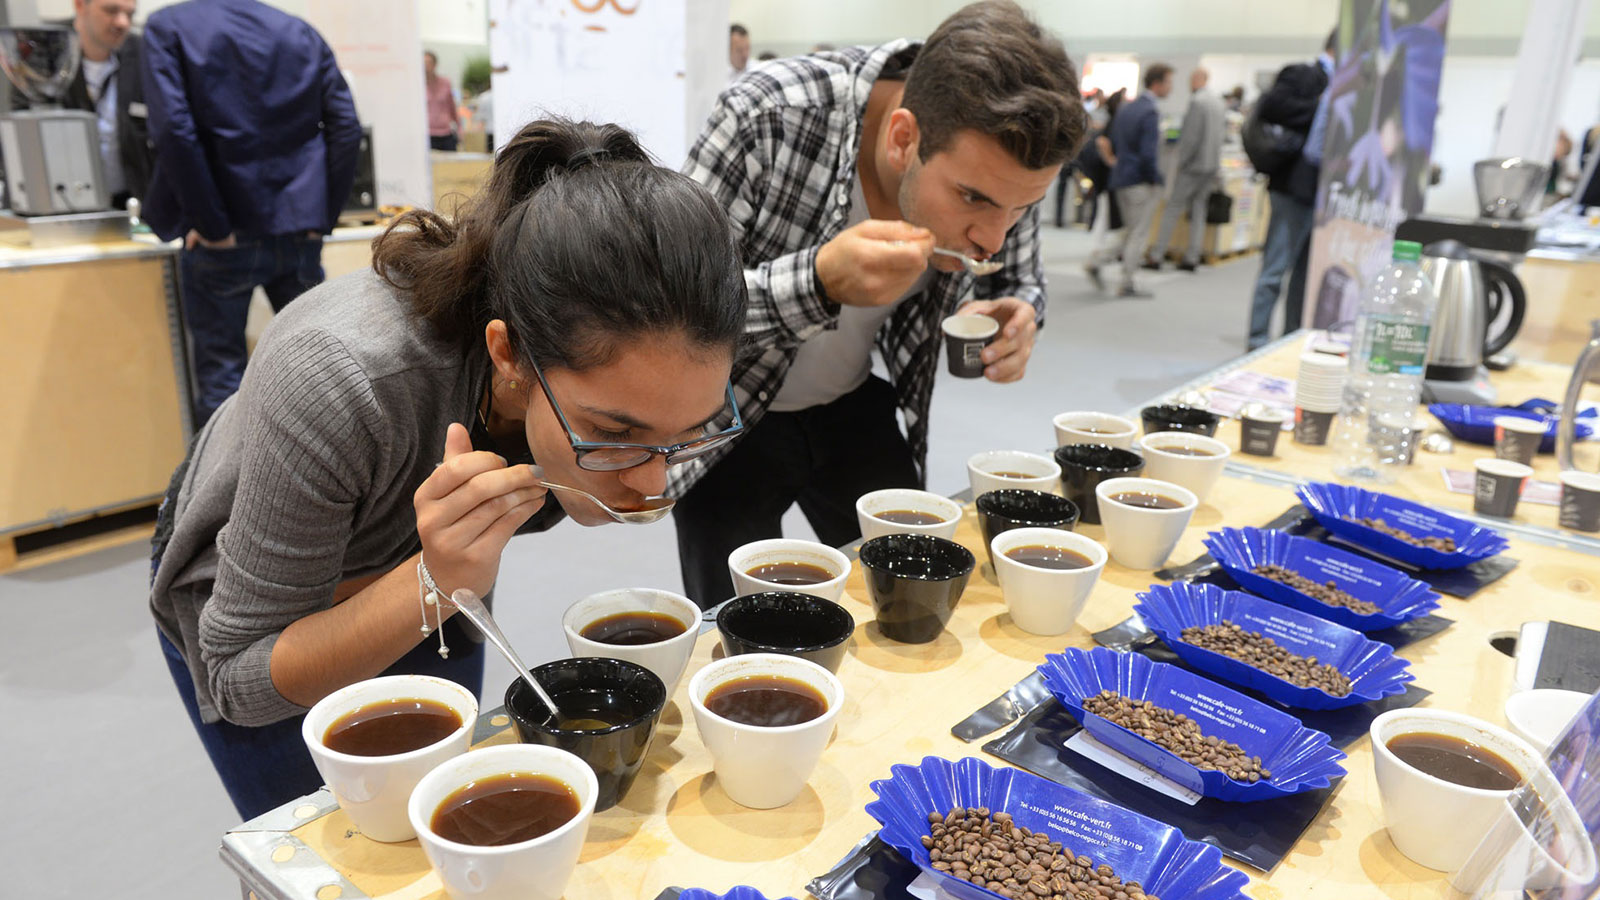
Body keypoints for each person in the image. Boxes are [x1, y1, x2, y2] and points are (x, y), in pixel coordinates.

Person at [148, 118, 748, 819]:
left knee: (449, 821)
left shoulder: (616, 369)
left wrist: (441, 579)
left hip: (428, 571)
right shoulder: (341, 377)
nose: (652, 487)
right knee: (332, 849)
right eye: (614, 434)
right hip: (260, 597)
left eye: (688, 434)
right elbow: (235, 680)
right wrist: (436, 581)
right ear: (508, 354)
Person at [673, 0, 1087, 607]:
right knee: (740, 622)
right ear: (902, 138)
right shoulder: (768, 115)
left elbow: (1017, 282)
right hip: (728, 414)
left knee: (915, 591)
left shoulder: (1001, 166)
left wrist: (1021, 316)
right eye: (973, 198)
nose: (993, 236)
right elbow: (669, 313)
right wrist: (817, 283)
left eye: (1021, 207)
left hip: (852, 402)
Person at [143, 0, 362, 429]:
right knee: (314, 371)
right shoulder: (299, 32)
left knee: (223, 381)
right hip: (298, 231)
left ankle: (226, 497)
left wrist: (211, 224)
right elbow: (346, 127)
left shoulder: (169, 27)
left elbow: (173, 129)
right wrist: (321, 217)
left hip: (222, 238)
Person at [7, 0, 152, 208]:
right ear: (80, 5)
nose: (122, 22)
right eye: (111, 10)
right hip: (59, 203)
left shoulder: (142, 54)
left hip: (130, 203)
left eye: (129, 14)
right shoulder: (44, 51)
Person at [1244, 31, 1333, 350]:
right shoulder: (1304, 74)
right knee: (1275, 269)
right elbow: (1272, 106)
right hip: (1292, 189)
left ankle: (1290, 340)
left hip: (1324, 197)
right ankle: (1256, 343)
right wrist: (1324, 107)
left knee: (1305, 278)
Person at [1086, 63, 1171, 298]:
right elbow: (1148, 153)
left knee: (1129, 231)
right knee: (1138, 233)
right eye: (1169, 82)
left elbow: (1111, 141)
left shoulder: (1128, 108)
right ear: (1158, 83)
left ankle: (1097, 261)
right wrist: (1155, 179)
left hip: (1121, 177)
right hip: (1139, 181)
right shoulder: (1150, 112)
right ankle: (1128, 281)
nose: (1170, 87)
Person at [1147, 67, 1224, 272]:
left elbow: (1190, 138)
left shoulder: (1197, 102)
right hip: (1210, 166)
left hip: (1193, 166)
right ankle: (1192, 256)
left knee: (1173, 207)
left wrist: (1182, 162)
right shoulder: (1218, 103)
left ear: (1199, 79)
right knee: (1198, 210)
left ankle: (1157, 254)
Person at [425, 50, 460, 151]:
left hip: (446, 133)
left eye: (428, 63)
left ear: (435, 64)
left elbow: (452, 106)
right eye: (424, 63)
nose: (426, 66)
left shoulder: (445, 83)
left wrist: (459, 128)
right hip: (428, 134)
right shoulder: (418, 86)